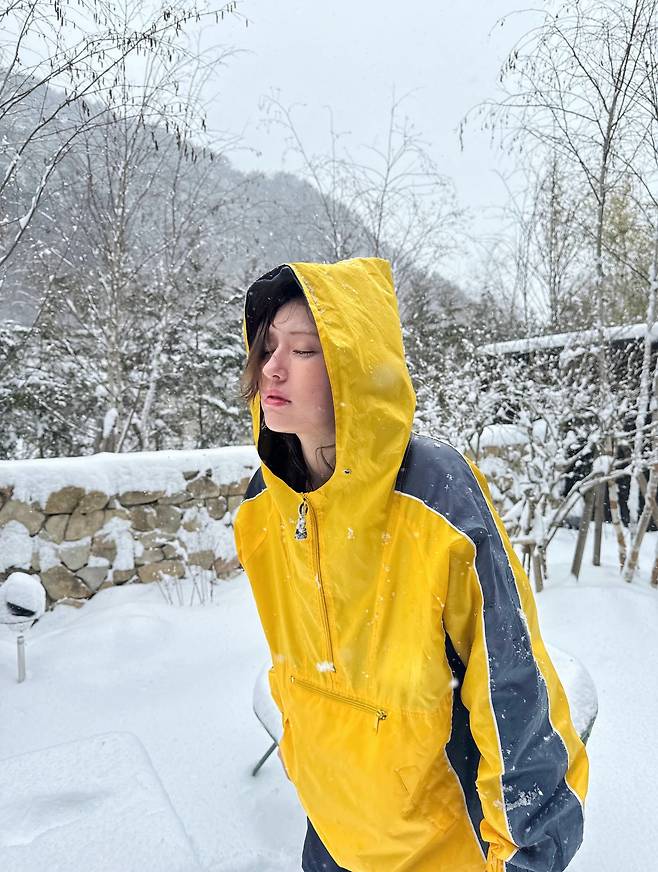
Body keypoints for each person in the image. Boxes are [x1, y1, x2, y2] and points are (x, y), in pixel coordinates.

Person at [233, 257, 588, 872]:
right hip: (333, 833)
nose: (273, 368)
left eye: (305, 349)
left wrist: (528, 848)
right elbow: (299, 672)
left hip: (441, 844)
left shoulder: (435, 493)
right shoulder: (262, 506)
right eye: (267, 348)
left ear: (356, 369)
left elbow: (507, 679)